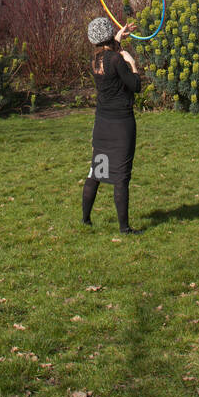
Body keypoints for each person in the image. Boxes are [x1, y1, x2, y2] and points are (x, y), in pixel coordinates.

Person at [81, 15, 143, 234]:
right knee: (121, 176)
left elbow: (108, 55)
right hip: (121, 127)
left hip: (102, 126)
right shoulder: (117, 60)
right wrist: (132, 63)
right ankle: (124, 228)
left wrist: (117, 39)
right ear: (108, 35)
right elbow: (135, 86)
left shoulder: (96, 60)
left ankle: (85, 220)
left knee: (96, 173)